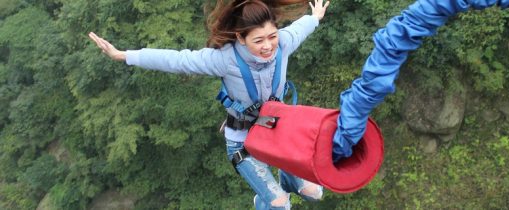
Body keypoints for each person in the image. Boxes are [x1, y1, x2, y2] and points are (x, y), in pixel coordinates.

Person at [88, 0, 330, 209]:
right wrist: (125, 55)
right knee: (280, 205)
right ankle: (265, 200)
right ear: (240, 38)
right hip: (243, 142)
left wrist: (315, 17)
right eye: (258, 40)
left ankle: (287, 181)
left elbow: (300, 29)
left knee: (315, 193)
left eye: (272, 36)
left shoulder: (283, 44)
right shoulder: (225, 60)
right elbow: (177, 60)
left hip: (276, 132)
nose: (267, 46)